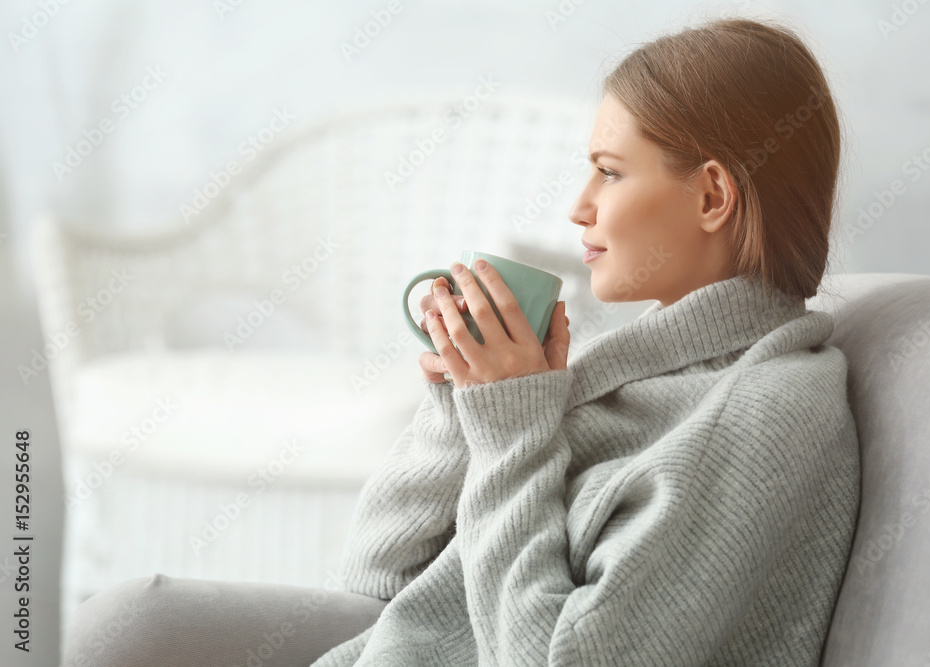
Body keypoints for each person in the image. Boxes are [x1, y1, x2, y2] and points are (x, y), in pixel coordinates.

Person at [62, 14, 860, 667]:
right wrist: (461, 404)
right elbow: (379, 579)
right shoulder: (637, 368)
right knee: (121, 626)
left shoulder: (767, 410)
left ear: (713, 194)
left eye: (610, 171)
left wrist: (514, 427)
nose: (579, 205)